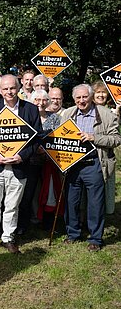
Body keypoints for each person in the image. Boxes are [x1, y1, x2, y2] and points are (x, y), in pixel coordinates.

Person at [0, 75, 42, 255]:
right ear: (0, 90)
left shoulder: (30, 109)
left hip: (19, 166)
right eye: (5, 89)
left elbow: (36, 139)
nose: (9, 92)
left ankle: (8, 237)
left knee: (12, 205)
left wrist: (21, 156)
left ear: (18, 88)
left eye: (12, 88)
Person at [61, 84, 121, 251]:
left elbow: (116, 139)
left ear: (91, 97)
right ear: (74, 99)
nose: (81, 101)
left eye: (84, 97)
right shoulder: (67, 113)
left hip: (95, 164)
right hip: (73, 165)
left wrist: (94, 137)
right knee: (71, 201)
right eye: (78, 98)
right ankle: (73, 234)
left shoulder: (106, 114)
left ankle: (95, 238)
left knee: (95, 203)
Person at [16, 90, 60, 235]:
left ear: (48, 101)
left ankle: (47, 223)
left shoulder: (54, 118)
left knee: (49, 193)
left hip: (49, 162)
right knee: (28, 195)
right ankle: (24, 224)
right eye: (37, 100)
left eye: (44, 100)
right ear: (31, 100)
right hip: (31, 161)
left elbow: (57, 138)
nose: (40, 103)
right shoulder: (26, 116)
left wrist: (46, 150)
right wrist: (35, 149)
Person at [91, 80, 117, 214]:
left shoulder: (111, 113)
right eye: (98, 92)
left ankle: (100, 216)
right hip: (89, 158)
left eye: (103, 92)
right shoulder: (84, 110)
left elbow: (116, 138)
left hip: (105, 158)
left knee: (103, 191)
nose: (101, 95)